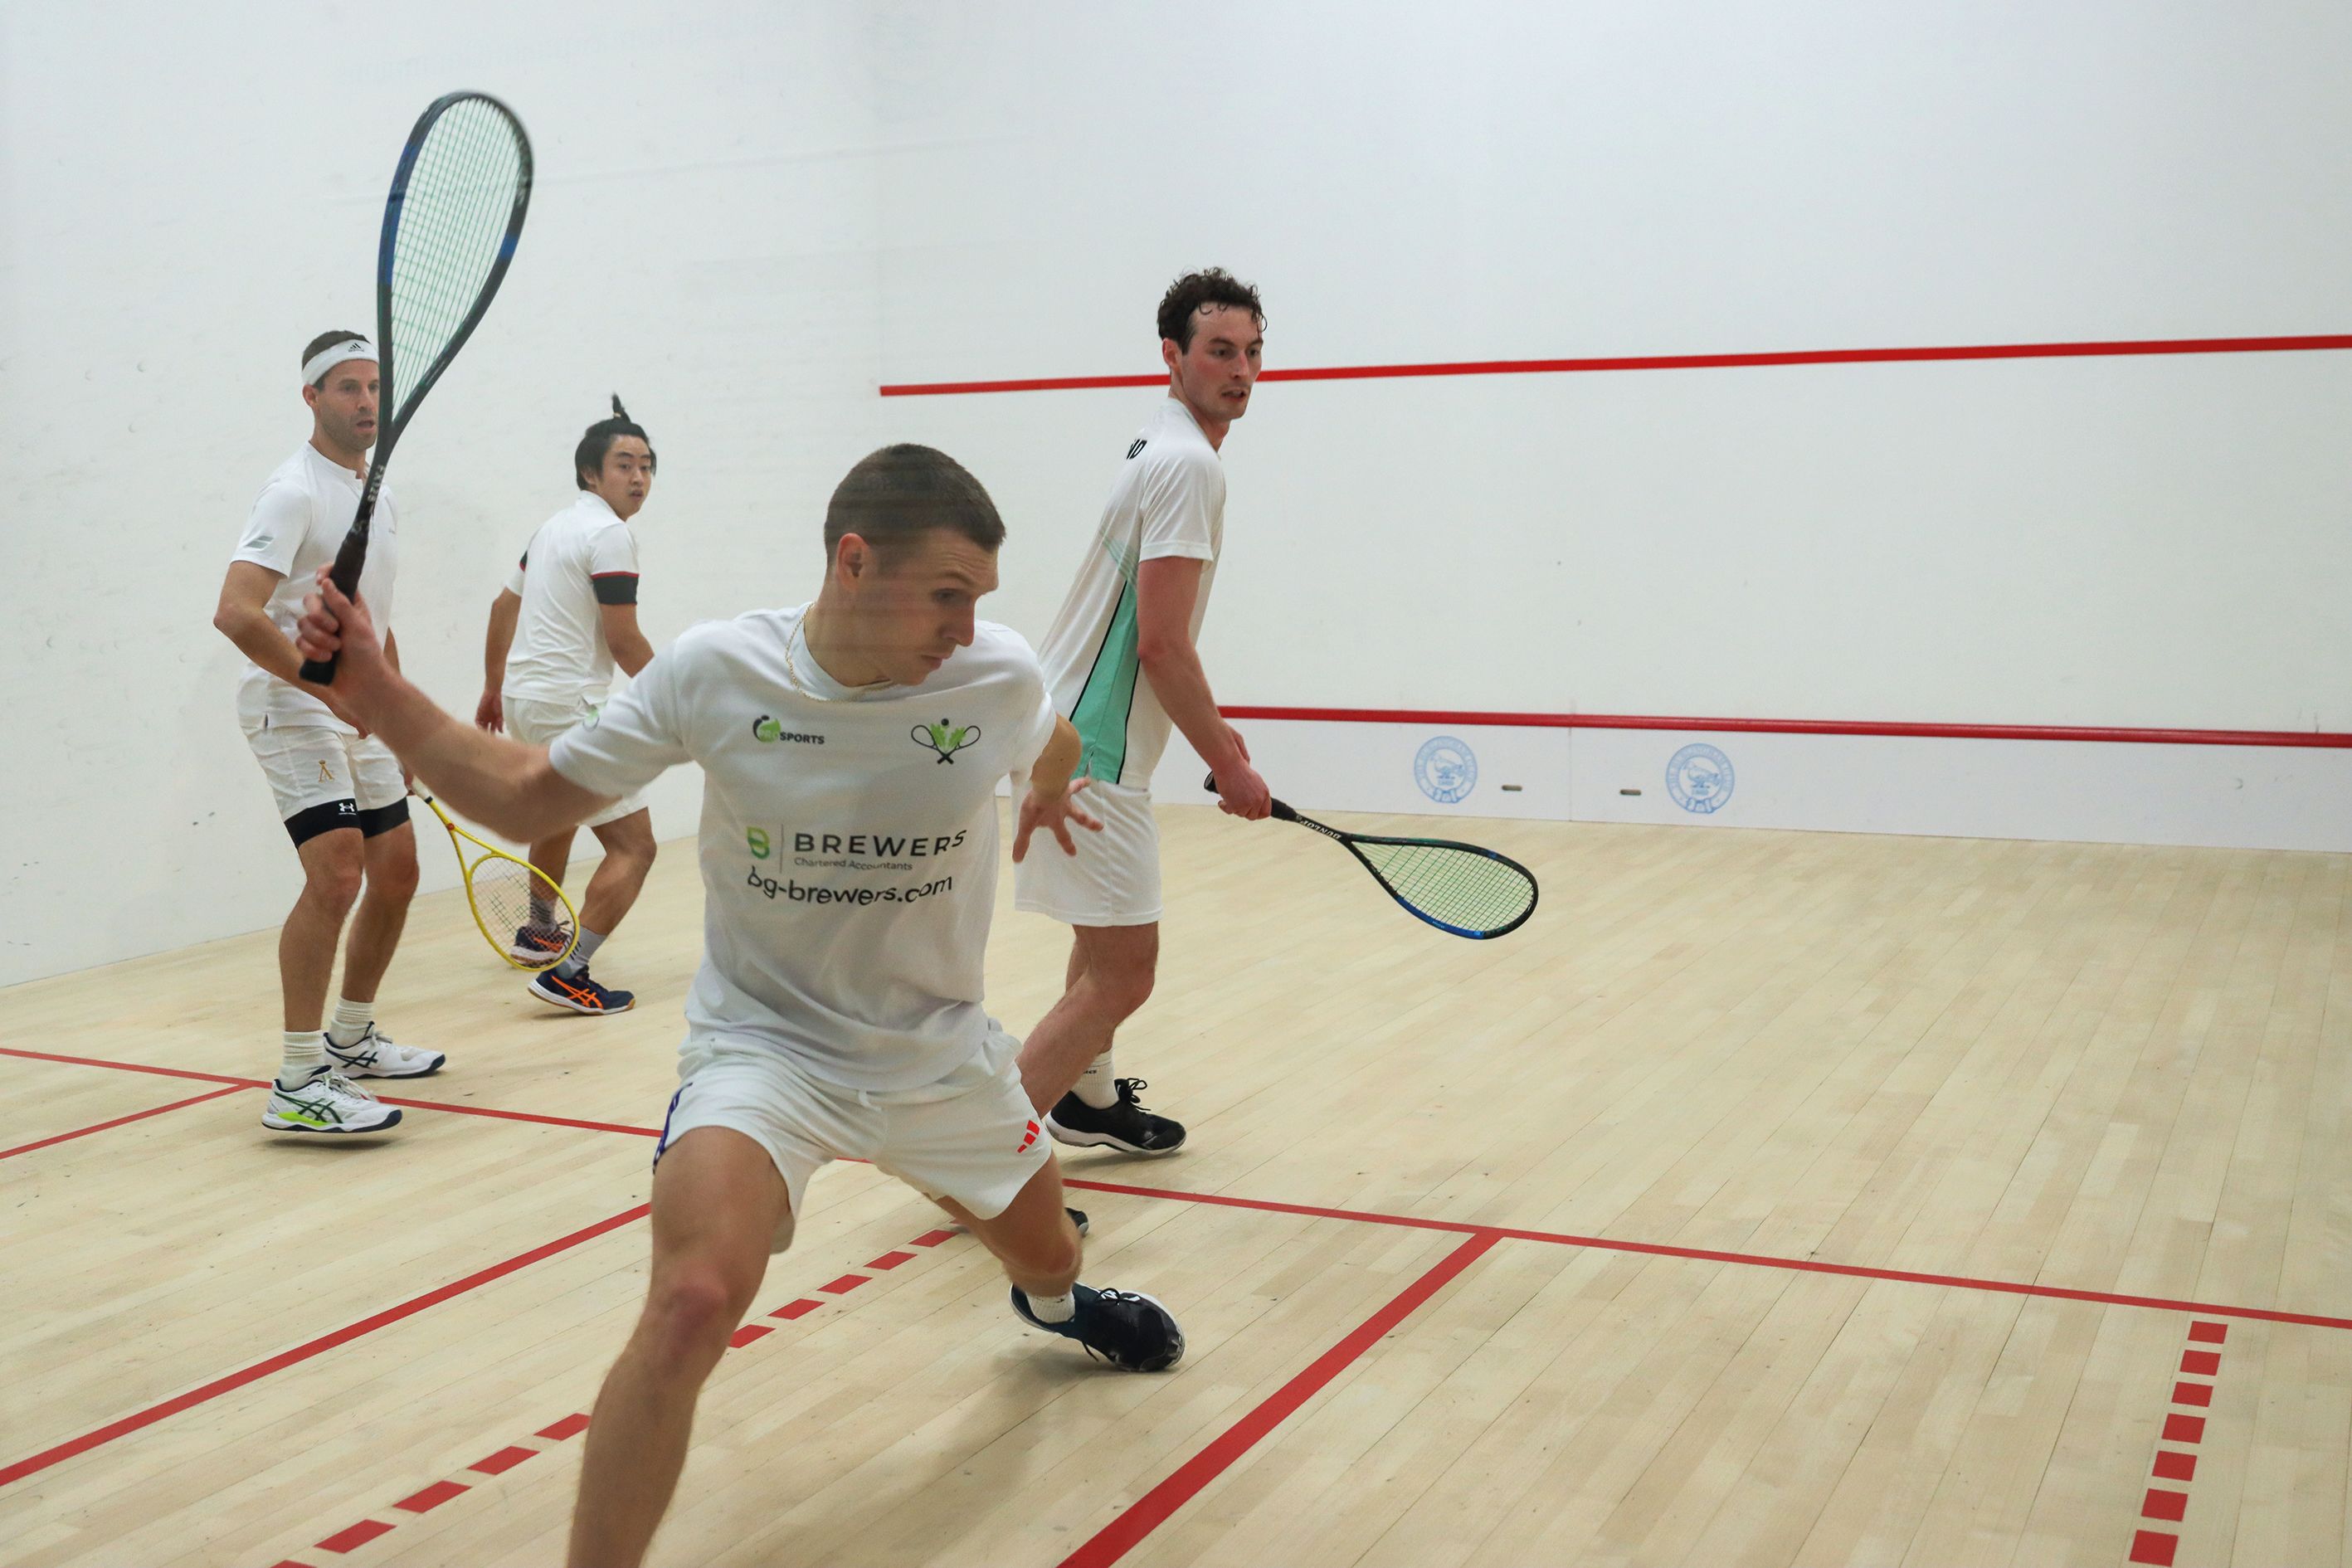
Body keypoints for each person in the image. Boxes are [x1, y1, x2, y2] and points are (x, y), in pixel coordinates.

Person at [292, 443, 1185, 1568]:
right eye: (946, 595)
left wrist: (1047, 787)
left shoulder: (993, 673)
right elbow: (526, 800)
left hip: (940, 1059)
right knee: (689, 1302)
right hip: (764, 1054)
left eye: (978, 602)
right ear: (853, 562)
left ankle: (1056, 1310)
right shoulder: (717, 671)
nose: (965, 629)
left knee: (1048, 1256)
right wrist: (375, 691)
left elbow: (1048, 732)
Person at [1012, 269, 1275, 1157]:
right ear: (1173, 355)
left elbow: (1149, 635)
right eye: (1220, 352)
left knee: (1103, 948)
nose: (1241, 371)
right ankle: (983, 1166)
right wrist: (1228, 767)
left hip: (1064, 729)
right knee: (1126, 974)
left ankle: (1085, 1101)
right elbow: (1160, 645)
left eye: (1252, 353)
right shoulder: (1188, 465)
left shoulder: (1158, 446)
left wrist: (1211, 727)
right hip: (1090, 749)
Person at [210, 329, 442, 1136]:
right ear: (311, 398)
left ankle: (352, 1038)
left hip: (352, 702)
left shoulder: (378, 494)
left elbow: (376, 621)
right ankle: (300, 1079)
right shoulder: (292, 492)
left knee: (398, 872)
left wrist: (398, 720)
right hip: (291, 700)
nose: (367, 401)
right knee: (338, 876)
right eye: (348, 387)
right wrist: (323, 687)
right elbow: (235, 612)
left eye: (374, 386)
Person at [477, 397, 660, 1014]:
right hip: (569, 707)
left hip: (528, 699)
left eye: (646, 466)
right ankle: (569, 972)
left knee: (558, 816)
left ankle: (538, 931)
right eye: (624, 465)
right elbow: (624, 640)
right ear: (590, 473)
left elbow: (503, 607)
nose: (638, 477)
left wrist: (493, 687)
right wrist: (681, 696)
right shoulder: (610, 535)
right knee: (635, 847)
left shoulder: (553, 528)